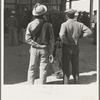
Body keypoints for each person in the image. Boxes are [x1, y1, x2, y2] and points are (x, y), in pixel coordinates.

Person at [59, 9, 92, 84]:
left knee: (66, 67)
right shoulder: (79, 24)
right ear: (74, 15)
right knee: (75, 67)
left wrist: (66, 42)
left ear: (66, 16)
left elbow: (62, 35)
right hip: (76, 47)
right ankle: (76, 83)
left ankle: (65, 84)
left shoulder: (64, 24)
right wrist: (80, 36)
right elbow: (89, 32)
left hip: (67, 47)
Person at [25, 3, 55, 84]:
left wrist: (36, 45)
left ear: (35, 14)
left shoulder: (30, 24)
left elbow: (27, 39)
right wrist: (51, 53)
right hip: (44, 49)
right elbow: (52, 40)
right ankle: (42, 85)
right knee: (43, 68)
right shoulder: (49, 25)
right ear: (44, 14)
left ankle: (30, 85)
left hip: (34, 49)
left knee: (31, 68)